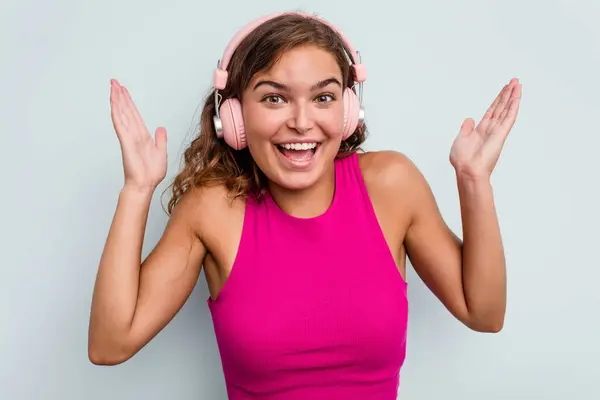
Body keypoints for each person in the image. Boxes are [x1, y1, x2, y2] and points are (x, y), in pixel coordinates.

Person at [88, 11, 522, 399]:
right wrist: (137, 189)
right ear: (234, 118)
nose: (301, 121)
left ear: (349, 111)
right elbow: (110, 344)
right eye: (274, 98)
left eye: (323, 97)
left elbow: (483, 312)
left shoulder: (392, 186)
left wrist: (473, 179)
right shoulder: (212, 209)